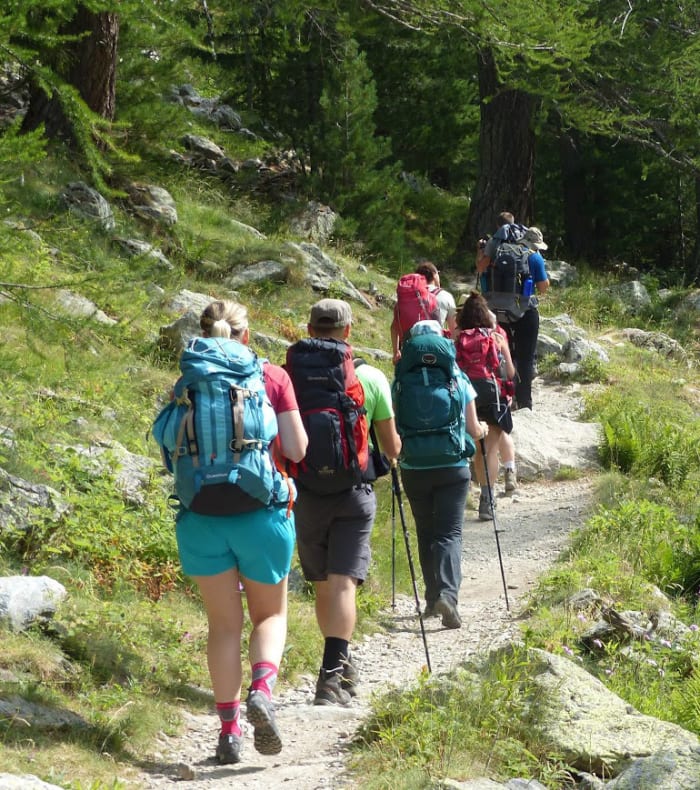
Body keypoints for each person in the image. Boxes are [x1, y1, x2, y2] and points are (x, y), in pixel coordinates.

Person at [169, 300, 308, 765]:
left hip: (201, 518)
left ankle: (229, 733)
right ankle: (262, 691)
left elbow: (171, 449)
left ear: (202, 332)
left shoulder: (188, 382)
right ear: (246, 336)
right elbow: (297, 448)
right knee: (269, 615)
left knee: (224, 625)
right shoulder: (271, 377)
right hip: (262, 514)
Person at [289, 299, 401, 705]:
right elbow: (391, 447)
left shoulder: (288, 377)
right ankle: (331, 676)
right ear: (348, 331)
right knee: (343, 584)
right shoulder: (367, 378)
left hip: (305, 493)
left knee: (324, 584)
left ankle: (338, 660)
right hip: (353, 492)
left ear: (309, 328)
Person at [393, 320, 488, 629]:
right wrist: (483, 430)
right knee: (449, 533)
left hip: (414, 467)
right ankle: (449, 595)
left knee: (425, 531)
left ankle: (432, 597)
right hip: (453, 466)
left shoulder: (400, 381)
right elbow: (473, 428)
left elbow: (394, 425)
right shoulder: (457, 377)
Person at [456, 294, 516, 521]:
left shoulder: (458, 339)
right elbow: (509, 372)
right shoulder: (496, 336)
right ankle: (487, 500)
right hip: (493, 398)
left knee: (478, 449)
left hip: (468, 398)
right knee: (490, 449)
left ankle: (477, 493)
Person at [476, 225, 550, 411]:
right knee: (525, 359)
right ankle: (524, 402)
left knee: (503, 354)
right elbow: (543, 288)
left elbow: (481, 269)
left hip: (498, 312)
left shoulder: (499, 252)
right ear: (534, 244)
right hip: (525, 312)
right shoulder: (534, 257)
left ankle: (503, 397)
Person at [415, 261, 458, 338]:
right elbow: (454, 329)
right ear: (434, 275)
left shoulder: (409, 294)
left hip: (410, 342)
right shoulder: (446, 296)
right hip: (435, 342)